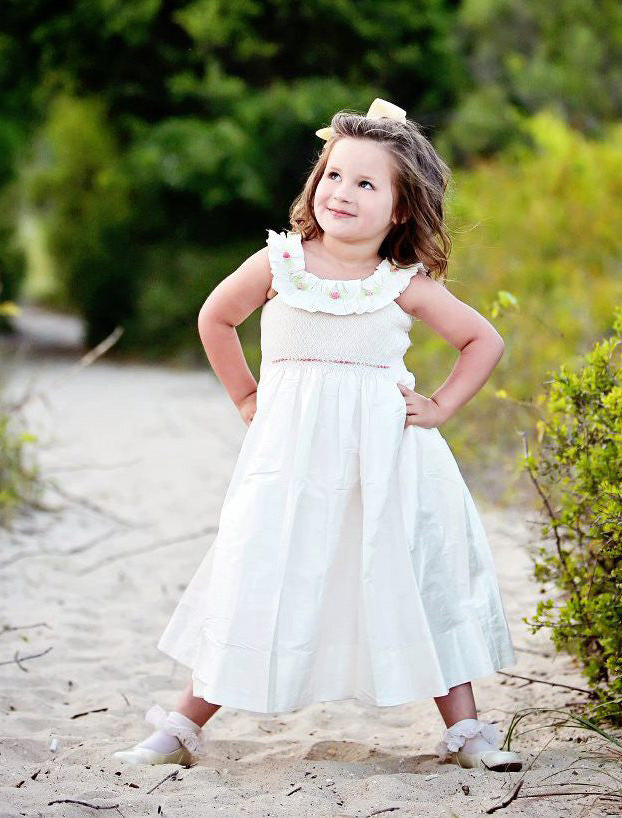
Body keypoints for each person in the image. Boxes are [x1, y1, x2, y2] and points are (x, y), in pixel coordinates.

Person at [112, 98, 522, 773]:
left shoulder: (401, 284)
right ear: (314, 181)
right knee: (259, 572)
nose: (343, 192)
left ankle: (468, 730)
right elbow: (216, 319)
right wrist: (246, 393)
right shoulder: (279, 263)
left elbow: (483, 338)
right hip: (290, 466)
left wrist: (442, 405)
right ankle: (183, 724)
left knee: (416, 579)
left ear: (398, 209)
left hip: (387, 466)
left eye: (366, 184)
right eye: (334, 175)